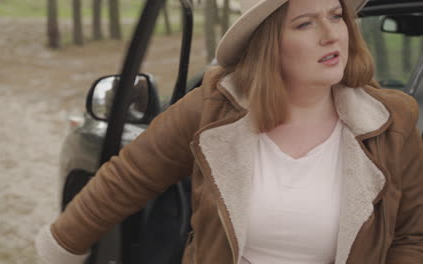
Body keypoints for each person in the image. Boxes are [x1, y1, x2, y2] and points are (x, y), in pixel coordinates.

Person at [36, 0, 423, 263]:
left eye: (336, 15)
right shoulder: (214, 106)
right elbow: (127, 178)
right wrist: (60, 248)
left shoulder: (392, 120)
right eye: (306, 23)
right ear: (268, 43)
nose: (331, 34)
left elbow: (410, 236)